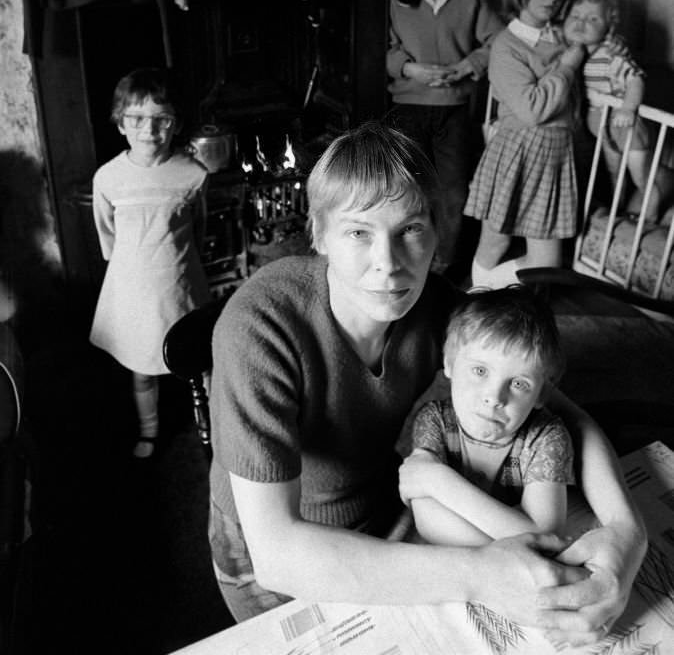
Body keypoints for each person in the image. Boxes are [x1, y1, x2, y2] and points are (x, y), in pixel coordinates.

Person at [208, 120, 646, 647]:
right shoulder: (260, 324)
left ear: (437, 233)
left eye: (410, 229)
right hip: (266, 555)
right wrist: (483, 575)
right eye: (358, 232)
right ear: (319, 235)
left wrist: (627, 533)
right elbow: (278, 554)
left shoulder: (437, 306)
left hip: (382, 509)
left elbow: (563, 411)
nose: (389, 265)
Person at [90, 67, 210, 458]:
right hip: (133, 286)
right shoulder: (108, 178)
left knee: (200, 363)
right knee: (141, 367)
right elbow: (107, 234)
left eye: (161, 120)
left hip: (179, 282)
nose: (149, 130)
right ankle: (149, 429)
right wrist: (130, 268)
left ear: (175, 125)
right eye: (137, 119)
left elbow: (199, 228)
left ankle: (213, 424)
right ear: (121, 124)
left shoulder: (193, 174)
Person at [399, 287, 574, 546]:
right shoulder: (434, 419)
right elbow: (428, 522)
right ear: (449, 364)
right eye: (480, 370)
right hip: (452, 560)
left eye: (518, 383)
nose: (495, 398)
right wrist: (519, 539)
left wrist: (437, 479)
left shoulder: (546, 437)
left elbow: (545, 537)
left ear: (541, 394)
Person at [386, 0, 503, 279]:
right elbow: (385, 51)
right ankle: (404, 263)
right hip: (408, 106)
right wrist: (411, 69)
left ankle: (445, 269)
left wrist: (466, 67)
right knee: (406, 189)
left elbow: (499, 41)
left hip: (454, 109)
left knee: (453, 193)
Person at [464, 0, 586, 289]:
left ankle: (487, 293)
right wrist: (568, 65)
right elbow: (533, 109)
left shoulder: (563, 37)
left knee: (547, 263)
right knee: (495, 243)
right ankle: (477, 297)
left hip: (555, 156)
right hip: (517, 151)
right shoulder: (506, 45)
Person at [563, 0, 663, 221]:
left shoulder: (610, 55)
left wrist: (628, 108)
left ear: (609, 29)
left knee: (639, 174)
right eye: (575, 16)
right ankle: (617, 208)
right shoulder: (572, 53)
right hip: (600, 126)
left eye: (593, 19)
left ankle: (653, 201)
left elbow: (635, 79)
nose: (581, 22)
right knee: (613, 173)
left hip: (623, 124)